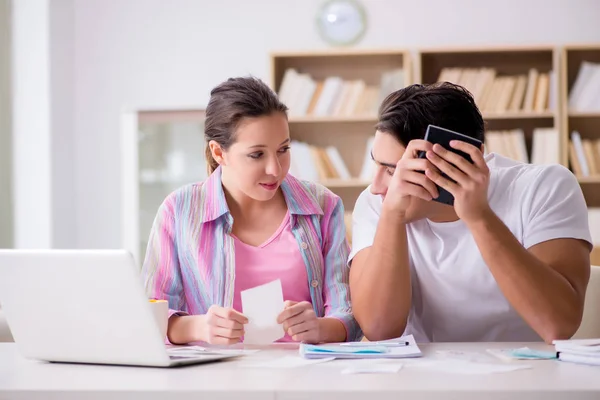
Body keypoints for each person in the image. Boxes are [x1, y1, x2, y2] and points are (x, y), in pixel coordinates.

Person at [349, 82, 592, 344]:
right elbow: (378, 330)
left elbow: (558, 325)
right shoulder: (377, 203)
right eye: (376, 164)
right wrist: (392, 216)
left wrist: (478, 216)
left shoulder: (544, 187)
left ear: (452, 162)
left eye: (391, 170)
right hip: (419, 377)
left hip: (525, 374)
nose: (376, 187)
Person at [141, 76, 360, 345]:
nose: (275, 169)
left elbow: (348, 315)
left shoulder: (323, 206)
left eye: (283, 150)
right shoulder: (178, 211)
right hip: (215, 380)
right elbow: (150, 317)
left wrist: (320, 328)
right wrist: (197, 328)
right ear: (219, 153)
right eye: (257, 154)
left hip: (305, 378)